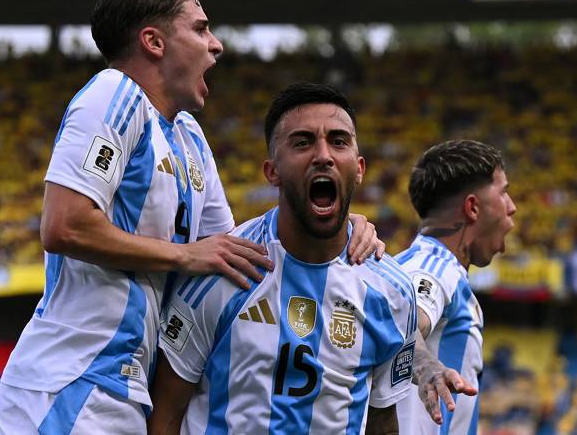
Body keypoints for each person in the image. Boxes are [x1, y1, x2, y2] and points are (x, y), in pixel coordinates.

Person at [0, 0, 381, 435]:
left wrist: (339, 225)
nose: (215, 45)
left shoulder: (188, 138)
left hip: (125, 391)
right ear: (154, 42)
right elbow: (64, 226)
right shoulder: (114, 94)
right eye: (200, 28)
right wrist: (184, 254)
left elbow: (240, 251)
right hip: (73, 381)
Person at [149, 83, 469, 434]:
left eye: (338, 141)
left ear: (359, 168)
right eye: (303, 142)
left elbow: (382, 421)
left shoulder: (391, 290)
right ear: (272, 171)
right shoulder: (222, 268)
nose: (324, 155)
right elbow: (166, 410)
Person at [396, 140, 517, 435]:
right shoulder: (433, 265)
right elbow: (399, 317)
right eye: (503, 192)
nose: (512, 207)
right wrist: (425, 365)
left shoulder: (423, 265)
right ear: (473, 207)